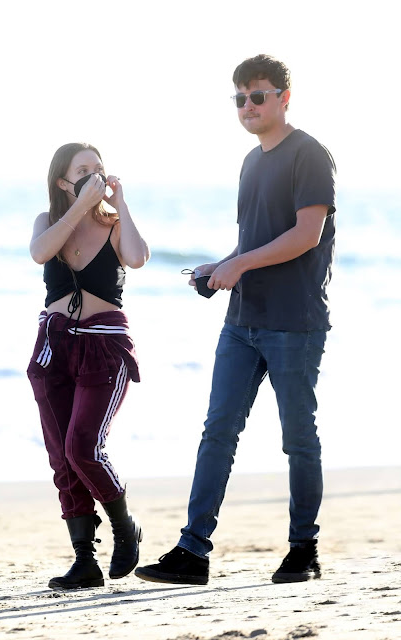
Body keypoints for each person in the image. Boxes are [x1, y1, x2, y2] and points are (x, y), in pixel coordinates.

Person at [135, 54, 336, 585]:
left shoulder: (310, 154)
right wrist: (222, 265)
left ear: (284, 98)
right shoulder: (251, 161)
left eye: (259, 96)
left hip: (295, 322)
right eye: (240, 99)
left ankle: (303, 551)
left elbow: (305, 235)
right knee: (218, 432)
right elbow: (255, 241)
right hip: (242, 320)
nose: (248, 106)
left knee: (298, 439)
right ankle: (193, 552)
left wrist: (240, 263)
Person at [27, 142, 150, 589]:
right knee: (62, 457)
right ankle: (85, 560)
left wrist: (121, 205)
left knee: (83, 446)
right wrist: (78, 208)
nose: (96, 174)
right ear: (64, 181)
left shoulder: (114, 225)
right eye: (84, 169)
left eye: (99, 167)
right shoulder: (49, 222)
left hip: (104, 346)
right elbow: (41, 252)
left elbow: (137, 258)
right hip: (54, 347)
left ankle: (124, 524)